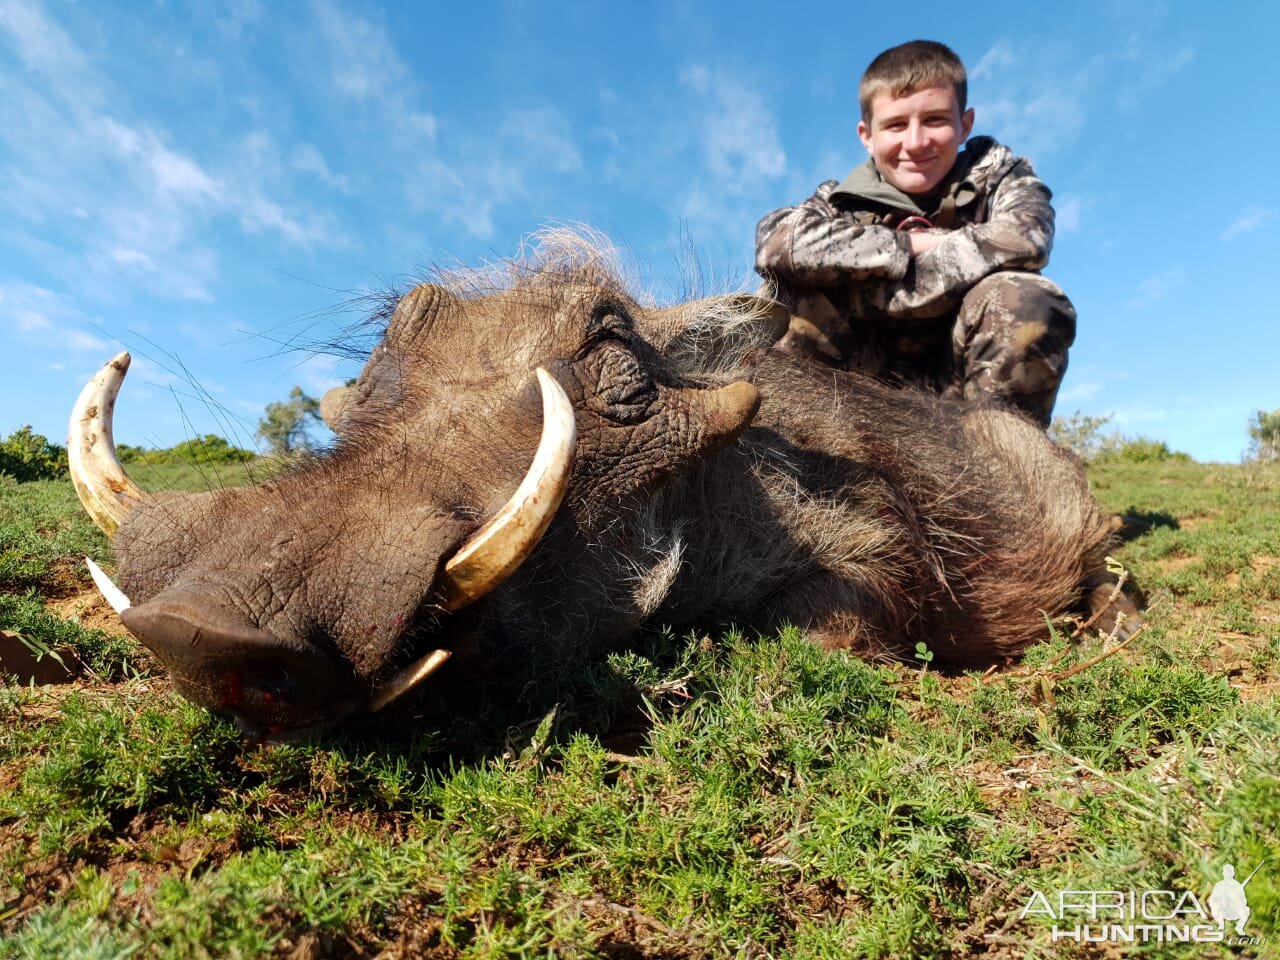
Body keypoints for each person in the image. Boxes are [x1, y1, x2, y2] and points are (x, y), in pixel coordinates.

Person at [755, 39, 1074, 427]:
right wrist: (909, 245)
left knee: (1025, 299)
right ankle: (802, 468)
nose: (916, 142)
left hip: (961, 387)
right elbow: (774, 243)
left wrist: (869, 287)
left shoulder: (1004, 178)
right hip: (856, 390)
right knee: (786, 300)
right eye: (895, 125)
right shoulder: (836, 202)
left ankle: (1006, 468)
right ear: (866, 136)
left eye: (936, 120)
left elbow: (1027, 237)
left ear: (965, 125)